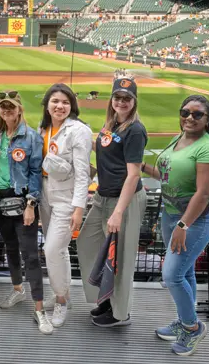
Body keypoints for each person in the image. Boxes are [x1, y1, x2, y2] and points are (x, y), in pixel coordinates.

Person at [142, 95, 209, 356]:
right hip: (171, 214)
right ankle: (185, 319)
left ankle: (192, 327)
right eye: (185, 112)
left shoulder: (207, 148)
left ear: (207, 119)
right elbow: (165, 175)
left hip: (194, 219)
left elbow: (204, 193)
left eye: (197, 114)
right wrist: (141, 166)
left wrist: (183, 225)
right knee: (184, 273)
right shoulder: (180, 139)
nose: (189, 117)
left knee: (171, 274)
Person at [77, 77, 148, 327]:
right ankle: (105, 299)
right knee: (87, 243)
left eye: (127, 98)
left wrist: (118, 212)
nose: (122, 101)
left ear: (134, 101)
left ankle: (120, 313)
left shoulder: (135, 129)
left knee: (123, 258)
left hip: (124, 201)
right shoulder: (111, 124)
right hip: (103, 196)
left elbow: (133, 174)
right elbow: (112, 161)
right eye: (118, 97)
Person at [0, 91, 50, 333]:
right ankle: (18, 290)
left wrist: (31, 204)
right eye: (3, 108)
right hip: (0, 198)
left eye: (11, 107)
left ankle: (39, 309)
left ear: (20, 109)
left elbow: (35, 173)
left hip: (22, 201)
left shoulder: (31, 138)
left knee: (30, 253)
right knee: (10, 246)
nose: (7, 111)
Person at [38, 83, 93, 327]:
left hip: (66, 199)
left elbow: (83, 173)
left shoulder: (78, 130)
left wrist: (79, 208)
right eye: (55, 101)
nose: (59, 106)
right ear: (47, 105)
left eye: (65, 102)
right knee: (59, 251)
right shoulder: (43, 128)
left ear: (72, 106)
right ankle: (65, 295)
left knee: (51, 250)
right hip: (44, 196)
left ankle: (60, 300)